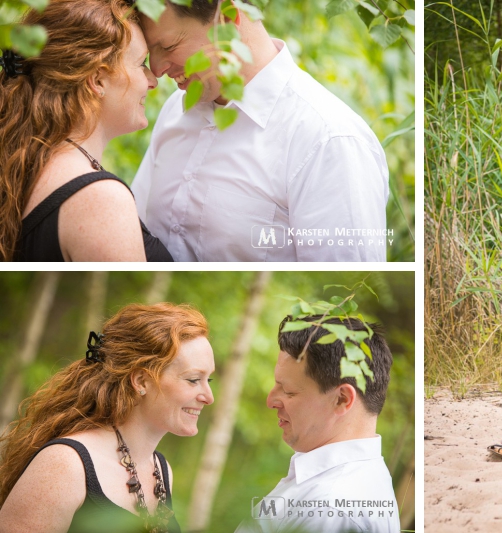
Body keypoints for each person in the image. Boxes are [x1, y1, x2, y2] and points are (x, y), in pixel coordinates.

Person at [128, 1, 389, 262]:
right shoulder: (175, 109)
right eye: (151, 51)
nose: (157, 69)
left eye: (168, 46)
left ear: (227, 19)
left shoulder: (328, 141)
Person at [0, 303, 214, 533]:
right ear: (141, 381)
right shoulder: (65, 465)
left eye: (208, 381)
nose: (208, 397)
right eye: (193, 380)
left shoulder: (161, 470)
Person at [0, 0, 172, 262]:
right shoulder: (100, 200)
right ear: (97, 79)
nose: (152, 80)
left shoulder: (22, 162)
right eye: (141, 63)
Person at [235, 315, 400, 533]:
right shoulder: (334, 484)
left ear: (341, 399)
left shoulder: (329, 509)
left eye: (288, 391)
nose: (270, 401)